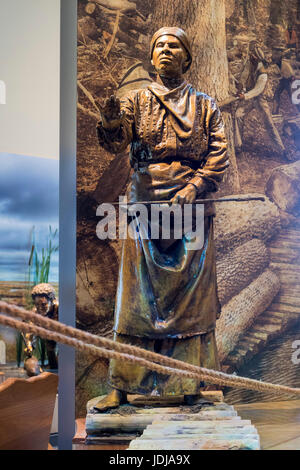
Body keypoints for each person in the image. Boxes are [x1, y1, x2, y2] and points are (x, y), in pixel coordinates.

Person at [94, 27, 228, 411]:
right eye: (159, 47)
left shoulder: (205, 106)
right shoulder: (136, 100)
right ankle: (121, 388)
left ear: (186, 57)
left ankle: (190, 387)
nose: (166, 51)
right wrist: (109, 122)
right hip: (146, 204)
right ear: (151, 58)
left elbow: (219, 155)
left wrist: (194, 187)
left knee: (192, 301)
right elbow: (117, 143)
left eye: (174, 46)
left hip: (191, 208)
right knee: (136, 300)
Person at [234, 40, 286, 154]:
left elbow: (258, 89)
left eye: (254, 55)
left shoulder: (263, 71)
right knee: (238, 114)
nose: (252, 56)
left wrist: (244, 96)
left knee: (269, 123)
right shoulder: (248, 64)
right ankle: (238, 145)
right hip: (248, 97)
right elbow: (243, 77)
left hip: (259, 99)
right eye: (251, 53)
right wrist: (240, 87)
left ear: (258, 57)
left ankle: (281, 149)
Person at [23, 283, 59, 374]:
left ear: (52, 300)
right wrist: (30, 344)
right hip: (49, 336)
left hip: (64, 338)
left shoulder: (60, 308)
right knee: (50, 349)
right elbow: (31, 330)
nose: (40, 308)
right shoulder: (35, 312)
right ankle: (53, 371)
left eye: (43, 304)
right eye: (36, 304)